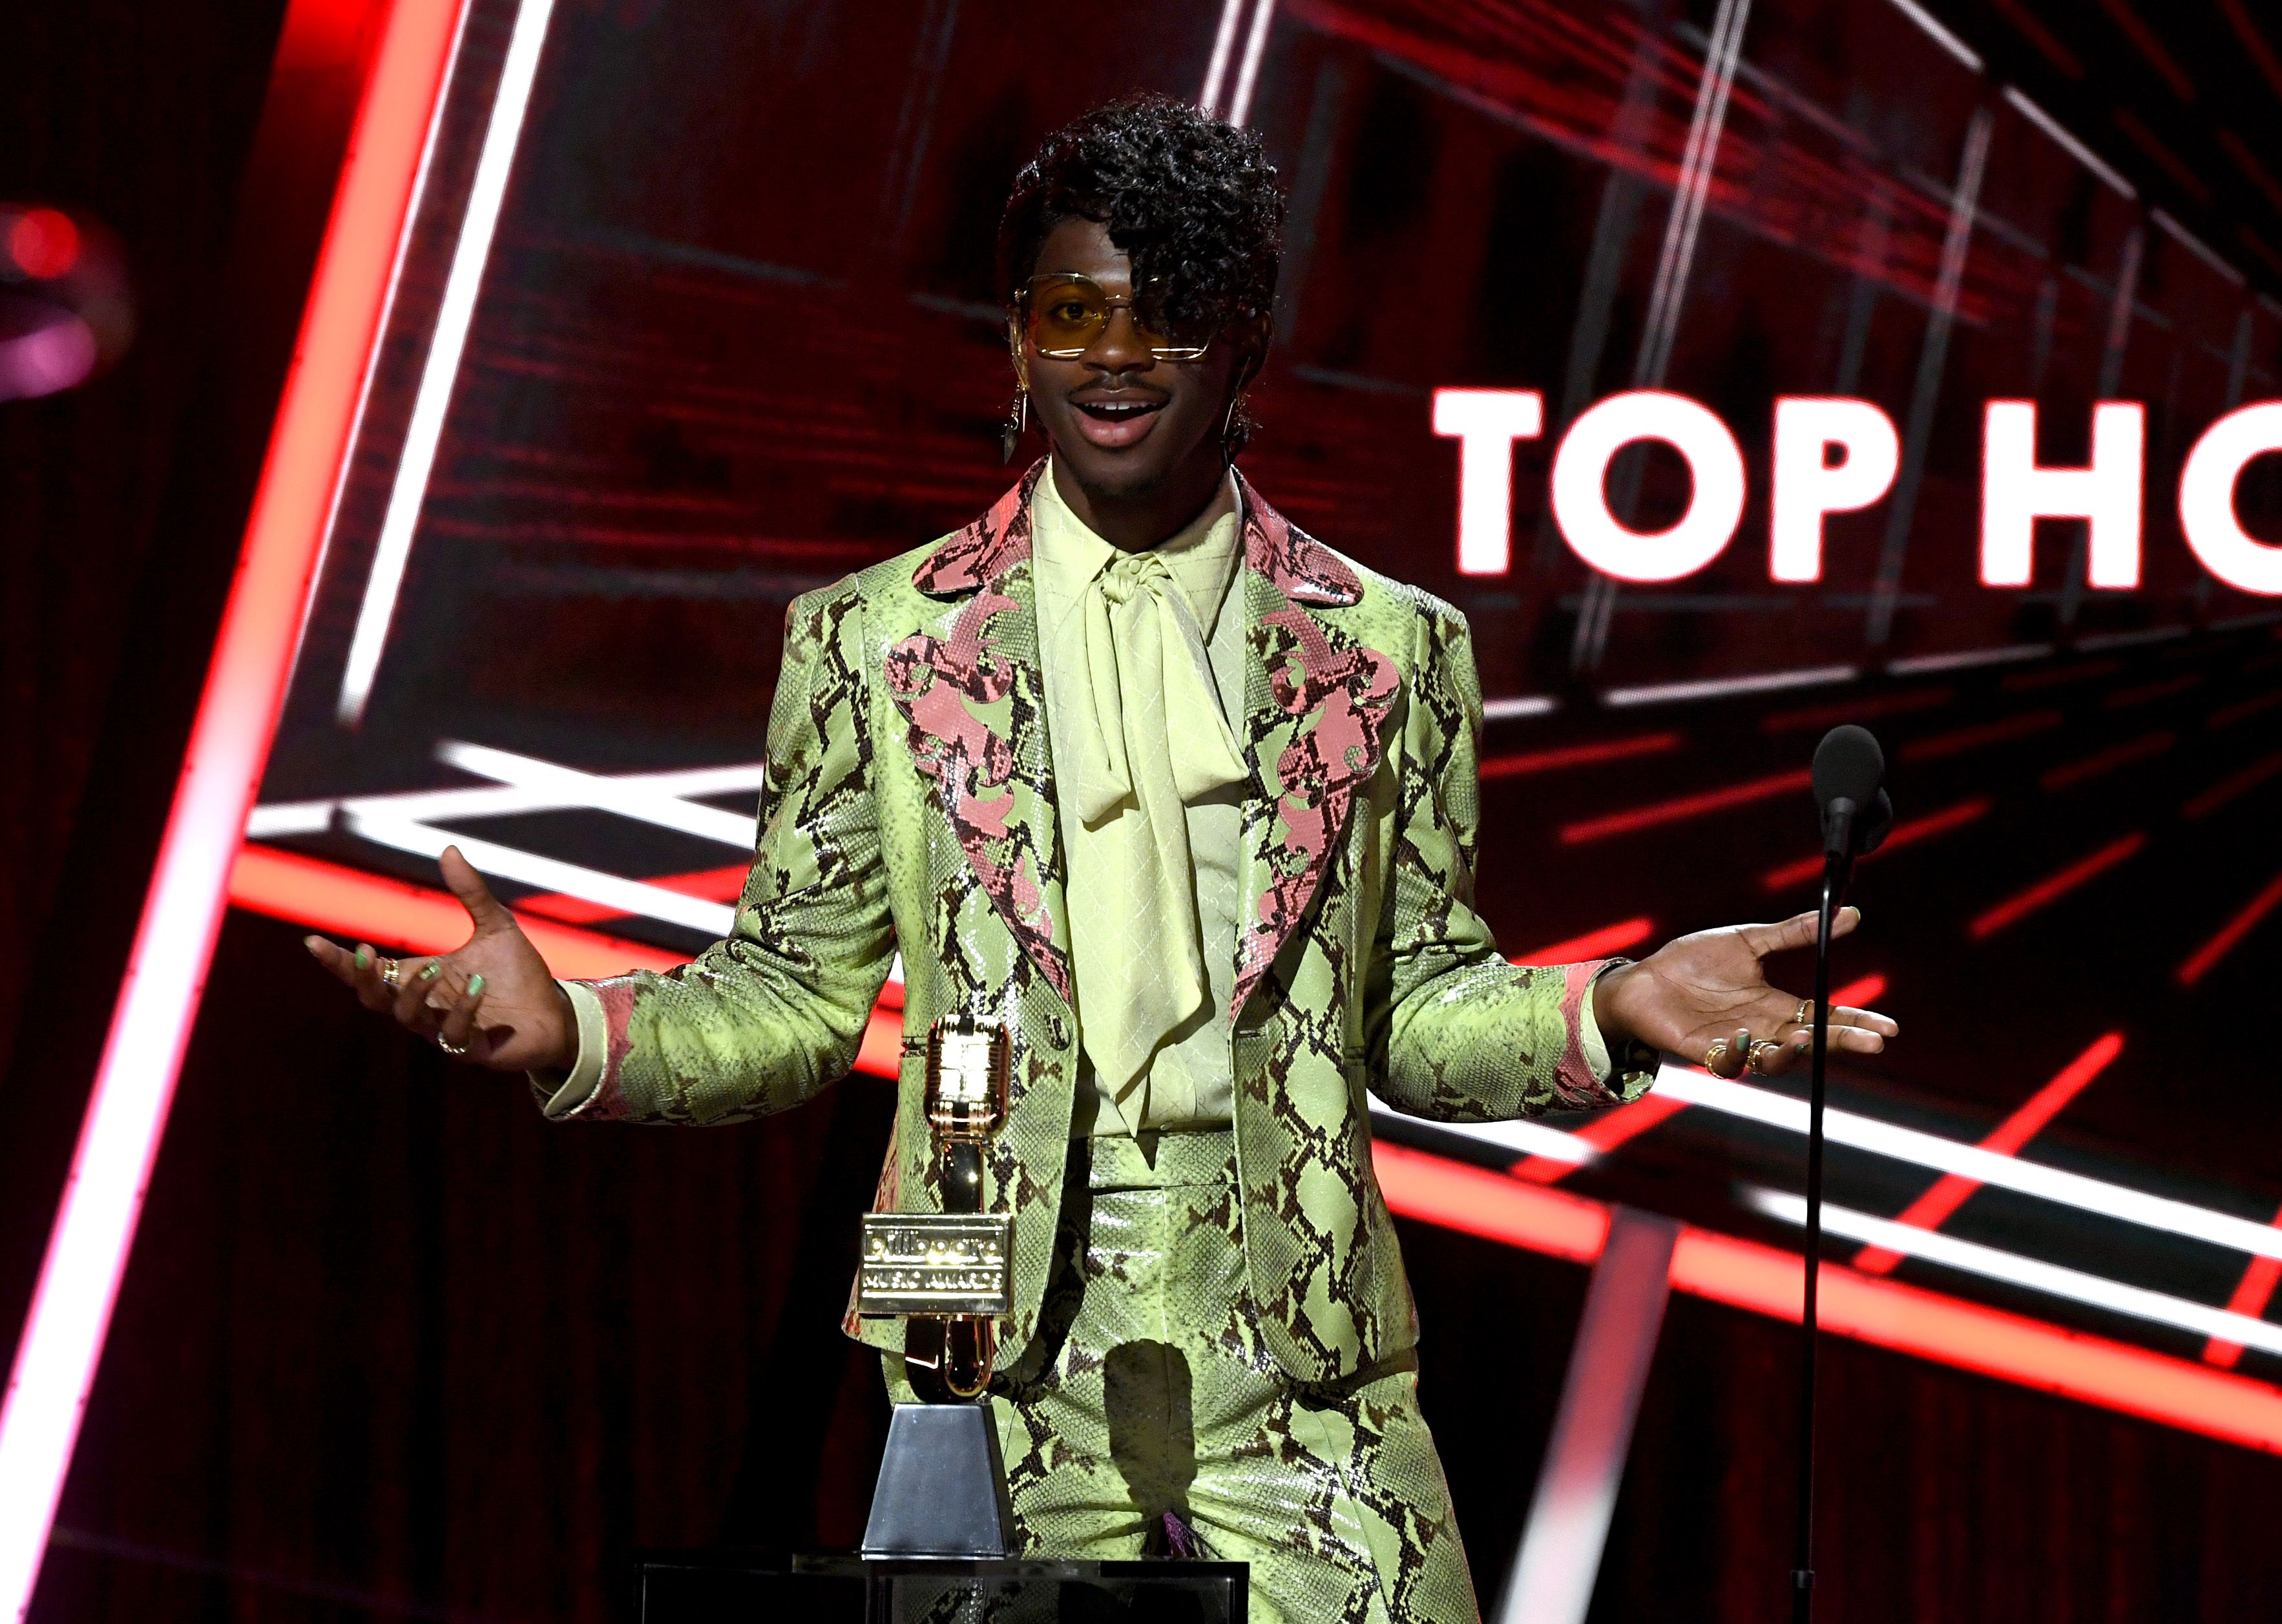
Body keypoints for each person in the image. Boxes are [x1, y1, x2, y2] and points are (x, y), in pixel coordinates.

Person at [307, 94, 1896, 1624]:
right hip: (989, 1362)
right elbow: (790, 997)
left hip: (1304, 1367)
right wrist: (575, 1027)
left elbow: (1407, 1008)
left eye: (1167, 316)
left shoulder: (1393, 650)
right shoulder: (876, 642)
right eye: (1071, 314)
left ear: (1244, 345)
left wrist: (1604, 1008)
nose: (1117, 358)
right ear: (1017, 336)